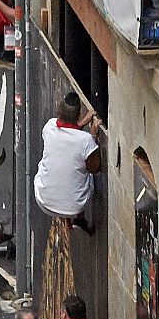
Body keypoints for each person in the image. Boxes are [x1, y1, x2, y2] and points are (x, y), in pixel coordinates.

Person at [33, 92, 102, 234]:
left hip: (43, 200)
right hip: (74, 206)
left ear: (59, 113)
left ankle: (71, 218)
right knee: (86, 175)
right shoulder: (86, 140)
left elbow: (68, 136)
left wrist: (81, 125)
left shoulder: (49, 127)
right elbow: (94, 168)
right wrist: (93, 136)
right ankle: (79, 219)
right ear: (78, 116)